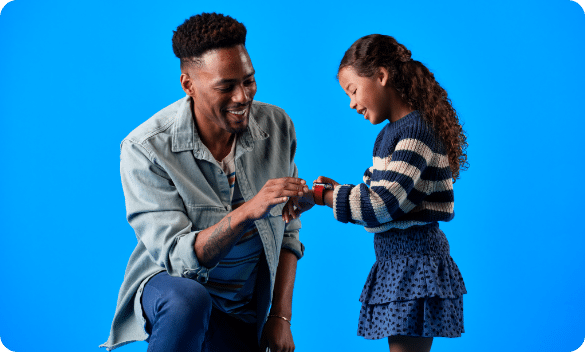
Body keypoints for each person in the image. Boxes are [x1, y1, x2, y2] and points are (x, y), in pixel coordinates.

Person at [101, 13, 307, 352]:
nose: (243, 97)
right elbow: (178, 257)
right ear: (188, 85)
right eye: (226, 86)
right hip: (174, 289)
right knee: (188, 300)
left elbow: (289, 231)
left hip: (241, 310)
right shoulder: (145, 149)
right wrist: (247, 213)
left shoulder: (277, 126)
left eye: (249, 81)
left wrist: (280, 316)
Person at [283, 34, 468, 352]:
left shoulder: (415, 133)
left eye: (353, 90)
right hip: (399, 262)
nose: (352, 103)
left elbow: (381, 204)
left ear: (382, 76)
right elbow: (378, 197)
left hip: (415, 266)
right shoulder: (392, 134)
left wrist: (322, 196)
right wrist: (335, 190)